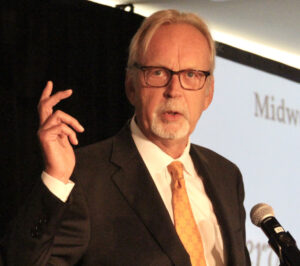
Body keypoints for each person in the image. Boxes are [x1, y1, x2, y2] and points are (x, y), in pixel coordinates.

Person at [3, 9, 250, 266]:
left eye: (191, 75)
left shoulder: (227, 177)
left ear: (208, 94)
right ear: (131, 86)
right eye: (158, 73)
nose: (174, 90)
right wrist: (54, 181)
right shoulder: (83, 177)